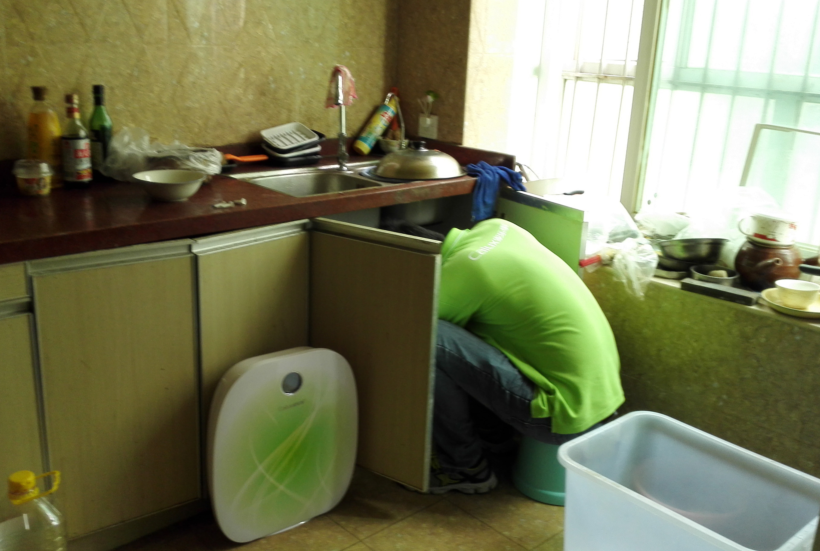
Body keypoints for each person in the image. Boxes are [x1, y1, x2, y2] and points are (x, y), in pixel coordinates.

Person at [429, 218, 624, 494]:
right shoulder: (499, 227)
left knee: (431, 336)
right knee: (485, 327)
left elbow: (413, 339)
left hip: (564, 418)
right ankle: (495, 439)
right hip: (602, 400)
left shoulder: (463, 269)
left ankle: (465, 469)